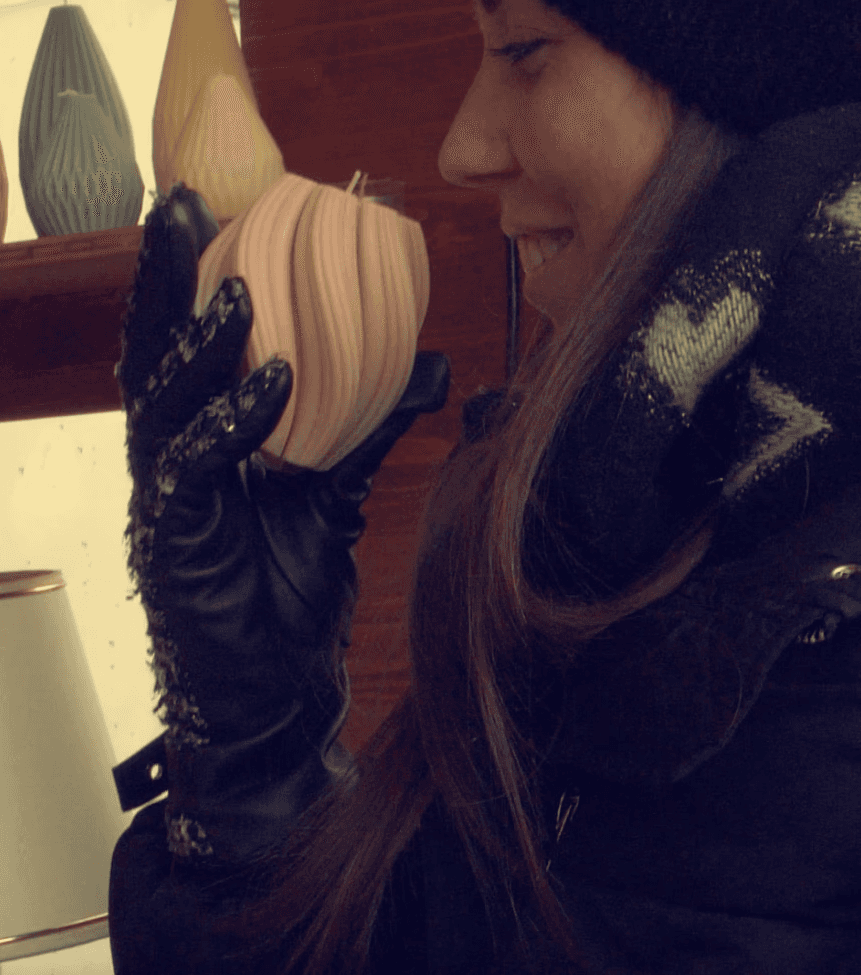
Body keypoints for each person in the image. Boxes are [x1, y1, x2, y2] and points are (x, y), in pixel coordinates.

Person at [108, 0, 861, 971]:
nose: (460, 149)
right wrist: (254, 751)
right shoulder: (598, 535)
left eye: (523, 49)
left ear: (755, 79)